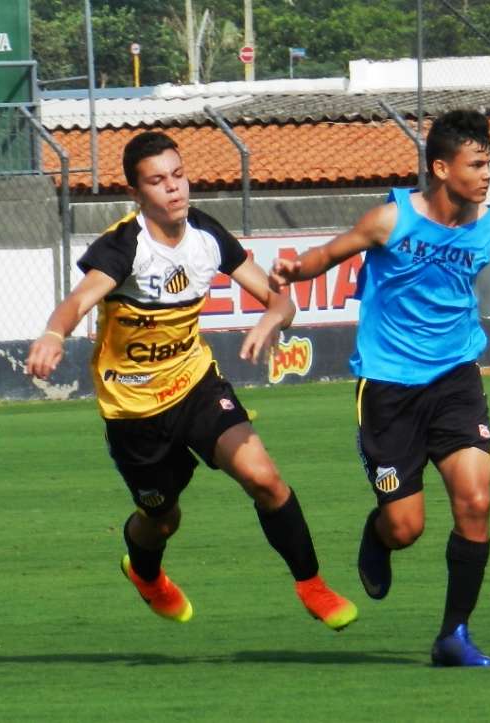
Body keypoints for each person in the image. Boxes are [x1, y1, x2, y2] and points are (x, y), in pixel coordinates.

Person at [270, 109, 490, 665]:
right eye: (476, 165)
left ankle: (454, 635)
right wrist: (293, 270)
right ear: (442, 167)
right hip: (388, 388)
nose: (486, 175)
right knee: (407, 528)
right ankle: (379, 536)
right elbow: (329, 254)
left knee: (476, 500)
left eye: (489, 163)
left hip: (455, 380)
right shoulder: (390, 219)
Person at [26, 131, 357, 631]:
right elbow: (78, 301)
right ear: (137, 194)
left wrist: (272, 318)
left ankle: (312, 585)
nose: (174, 189)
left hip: (194, 385)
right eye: (158, 182)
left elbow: (281, 298)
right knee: (162, 520)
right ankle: (144, 572)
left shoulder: (207, 236)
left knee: (264, 478)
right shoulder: (124, 247)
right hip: (134, 410)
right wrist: (54, 333)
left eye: (178, 176)